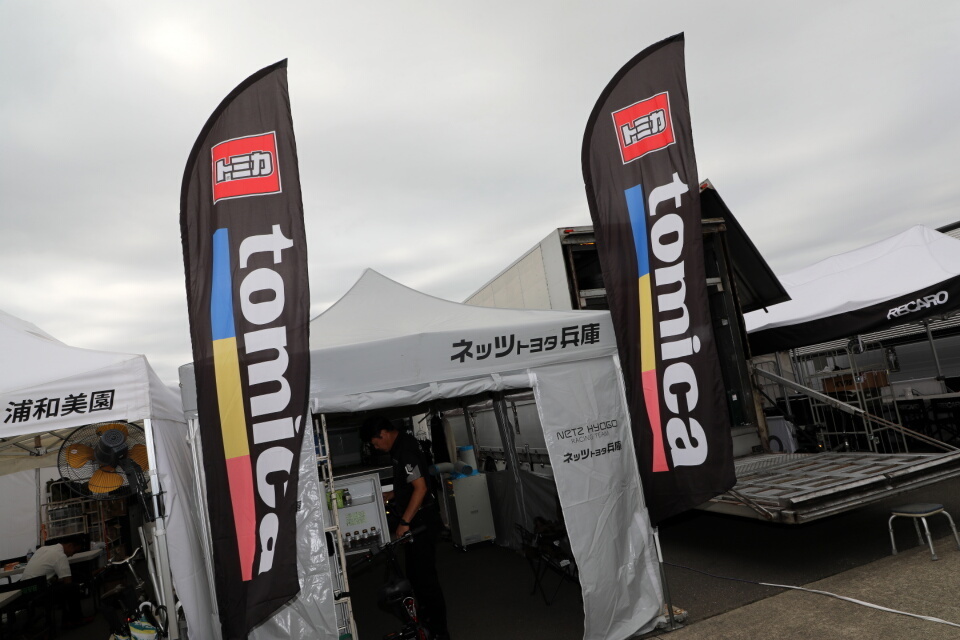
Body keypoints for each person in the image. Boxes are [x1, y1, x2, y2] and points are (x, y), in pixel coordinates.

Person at [360, 415, 450, 640]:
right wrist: (394, 494)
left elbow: (420, 488)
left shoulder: (406, 450)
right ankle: (426, 625)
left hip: (421, 523)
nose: (376, 447)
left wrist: (404, 522)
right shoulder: (401, 446)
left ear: (383, 433)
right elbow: (411, 483)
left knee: (425, 580)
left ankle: (439, 632)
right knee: (415, 577)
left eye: (375, 443)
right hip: (417, 521)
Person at [20, 534, 92, 628]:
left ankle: (66, 618)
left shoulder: (43, 549)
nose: (72, 555)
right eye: (74, 551)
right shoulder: (60, 555)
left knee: (61, 586)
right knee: (72, 588)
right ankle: (76, 619)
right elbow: (68, 582)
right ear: (70, 545)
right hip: (39, 594)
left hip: (24, 590)